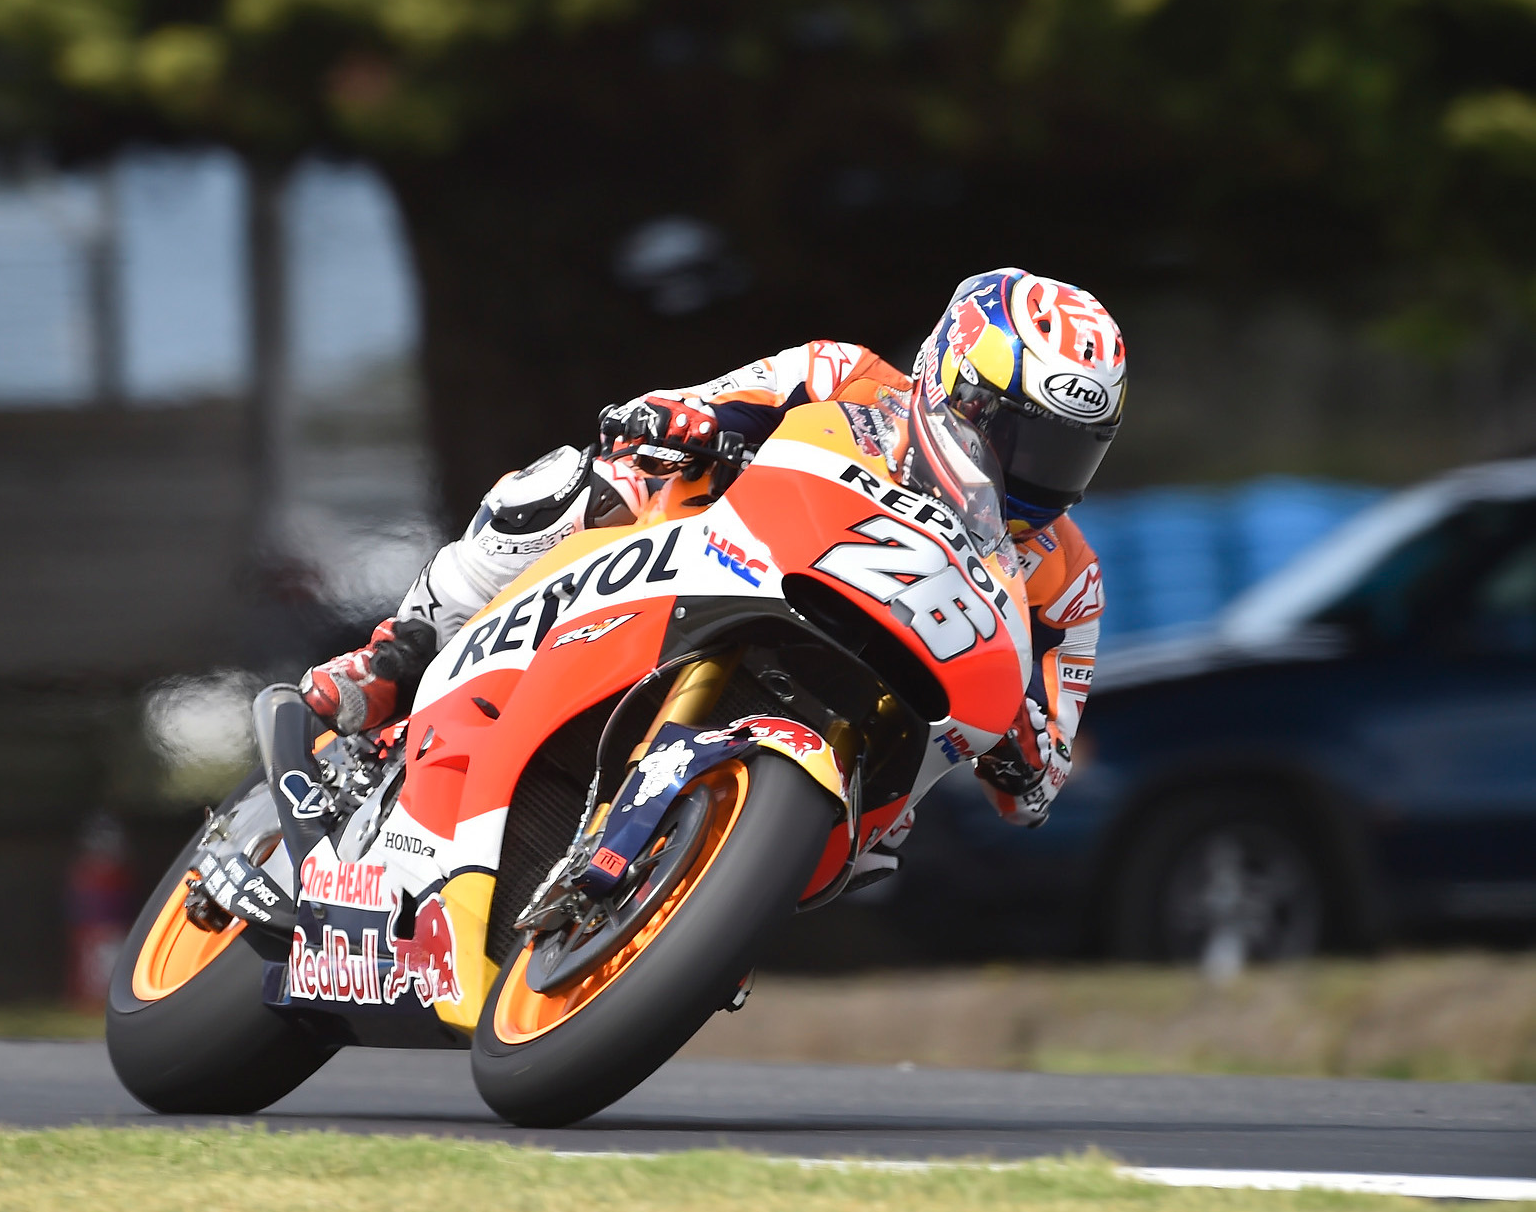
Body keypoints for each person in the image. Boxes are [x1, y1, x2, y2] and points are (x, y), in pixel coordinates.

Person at [302, 267, 1125, 831]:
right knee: (592, 482)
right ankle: (396, 657)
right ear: (949, 378)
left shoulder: (1069, 577)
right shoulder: (844, 375)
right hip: (726, 568)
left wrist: (1024, 755)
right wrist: (681, 424)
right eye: (1013, 435)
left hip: (867, 737)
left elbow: (1041, 783)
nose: (1032, 474)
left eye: (1062, 453)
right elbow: (691, 407)